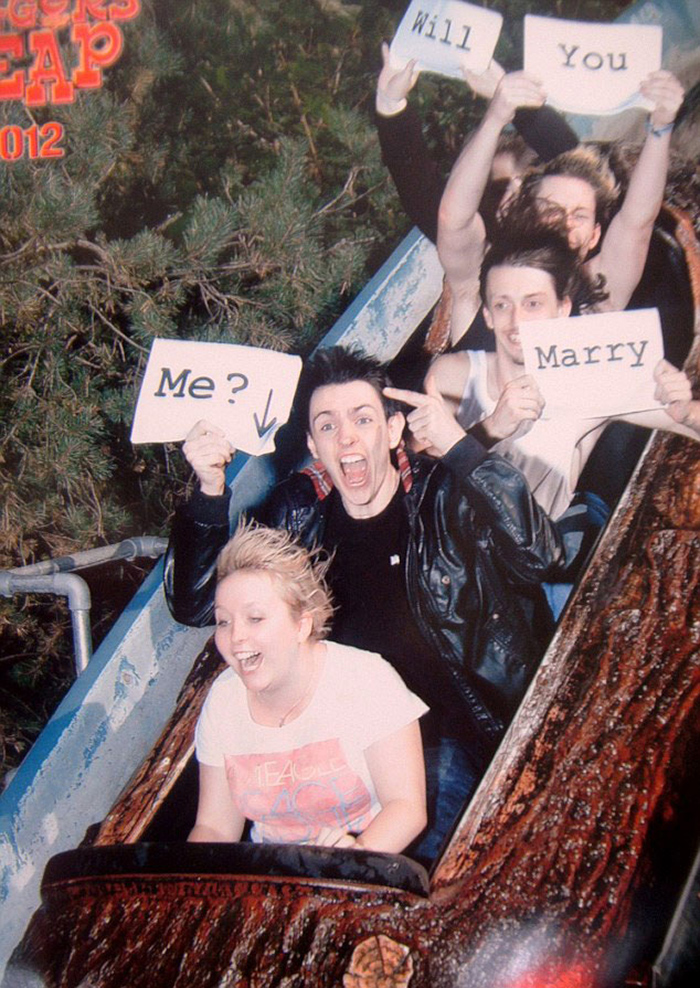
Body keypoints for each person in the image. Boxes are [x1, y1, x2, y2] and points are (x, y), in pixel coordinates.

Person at [166, 344, 564, 863]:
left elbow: (542, 557)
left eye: (362, 419)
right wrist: (210, 488)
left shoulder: (441, 493)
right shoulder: (298, 514)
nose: (346, 437)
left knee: (413, 864)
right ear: (313, 444)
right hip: (350, 739)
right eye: (328, 426)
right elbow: (199, 606)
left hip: (448, 727)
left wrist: (460, 447)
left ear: (394, 430)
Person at [189, 521, 428, 853]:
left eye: (255, 618)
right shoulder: (223, 700)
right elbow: (215, 827)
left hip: (369, 853)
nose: (236, 637)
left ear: (302, 625)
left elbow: (406, 808)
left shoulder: (368, 679)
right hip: (272, 869)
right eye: (224, 622)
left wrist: (354, 856)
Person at [437, 69, 685, 336]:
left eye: (579, 215)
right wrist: (494, 120)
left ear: (594, 235)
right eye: (552, 210)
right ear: (527, 214)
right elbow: (453, 219)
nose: (566, 223)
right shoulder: (478, 285)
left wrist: (661, 126)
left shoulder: (599, 297)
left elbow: (638, 222)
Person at [375, 45, 578, 353]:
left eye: (527, 187)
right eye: (499, 189)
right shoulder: (478, 267)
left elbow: (582, 170)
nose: (512, 195)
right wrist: (390, 104)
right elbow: (423, 193)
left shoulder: (581, 250)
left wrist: (518, 103)